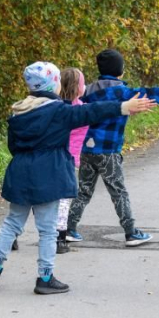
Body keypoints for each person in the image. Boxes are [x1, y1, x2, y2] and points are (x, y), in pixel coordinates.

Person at [0, 62, 154, 294]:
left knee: (12, 221)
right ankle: (45, 277)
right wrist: (123, 106)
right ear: (53, 84)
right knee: (48, 229)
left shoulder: (19, 111)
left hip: (20, 170)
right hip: (50, 172)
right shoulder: (58, 111)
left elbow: (13, 146)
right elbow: (91, 111)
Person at [66, 49, 159, 246]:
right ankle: (131, 232)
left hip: (87, 150)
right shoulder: (123, 93)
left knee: (84, 191)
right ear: (120, 71)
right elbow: (156, 94)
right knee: (119, 192)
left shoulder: (88, 90)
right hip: (108, 152)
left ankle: (69, 228)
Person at [54, 67, 89, 254]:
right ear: (79, 87)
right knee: (64, 200)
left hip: (52, 158)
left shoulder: (55, 108)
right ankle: (60, 237)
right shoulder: (81, 109)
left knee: (37, 200)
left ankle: (13, 235)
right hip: (69, 161)